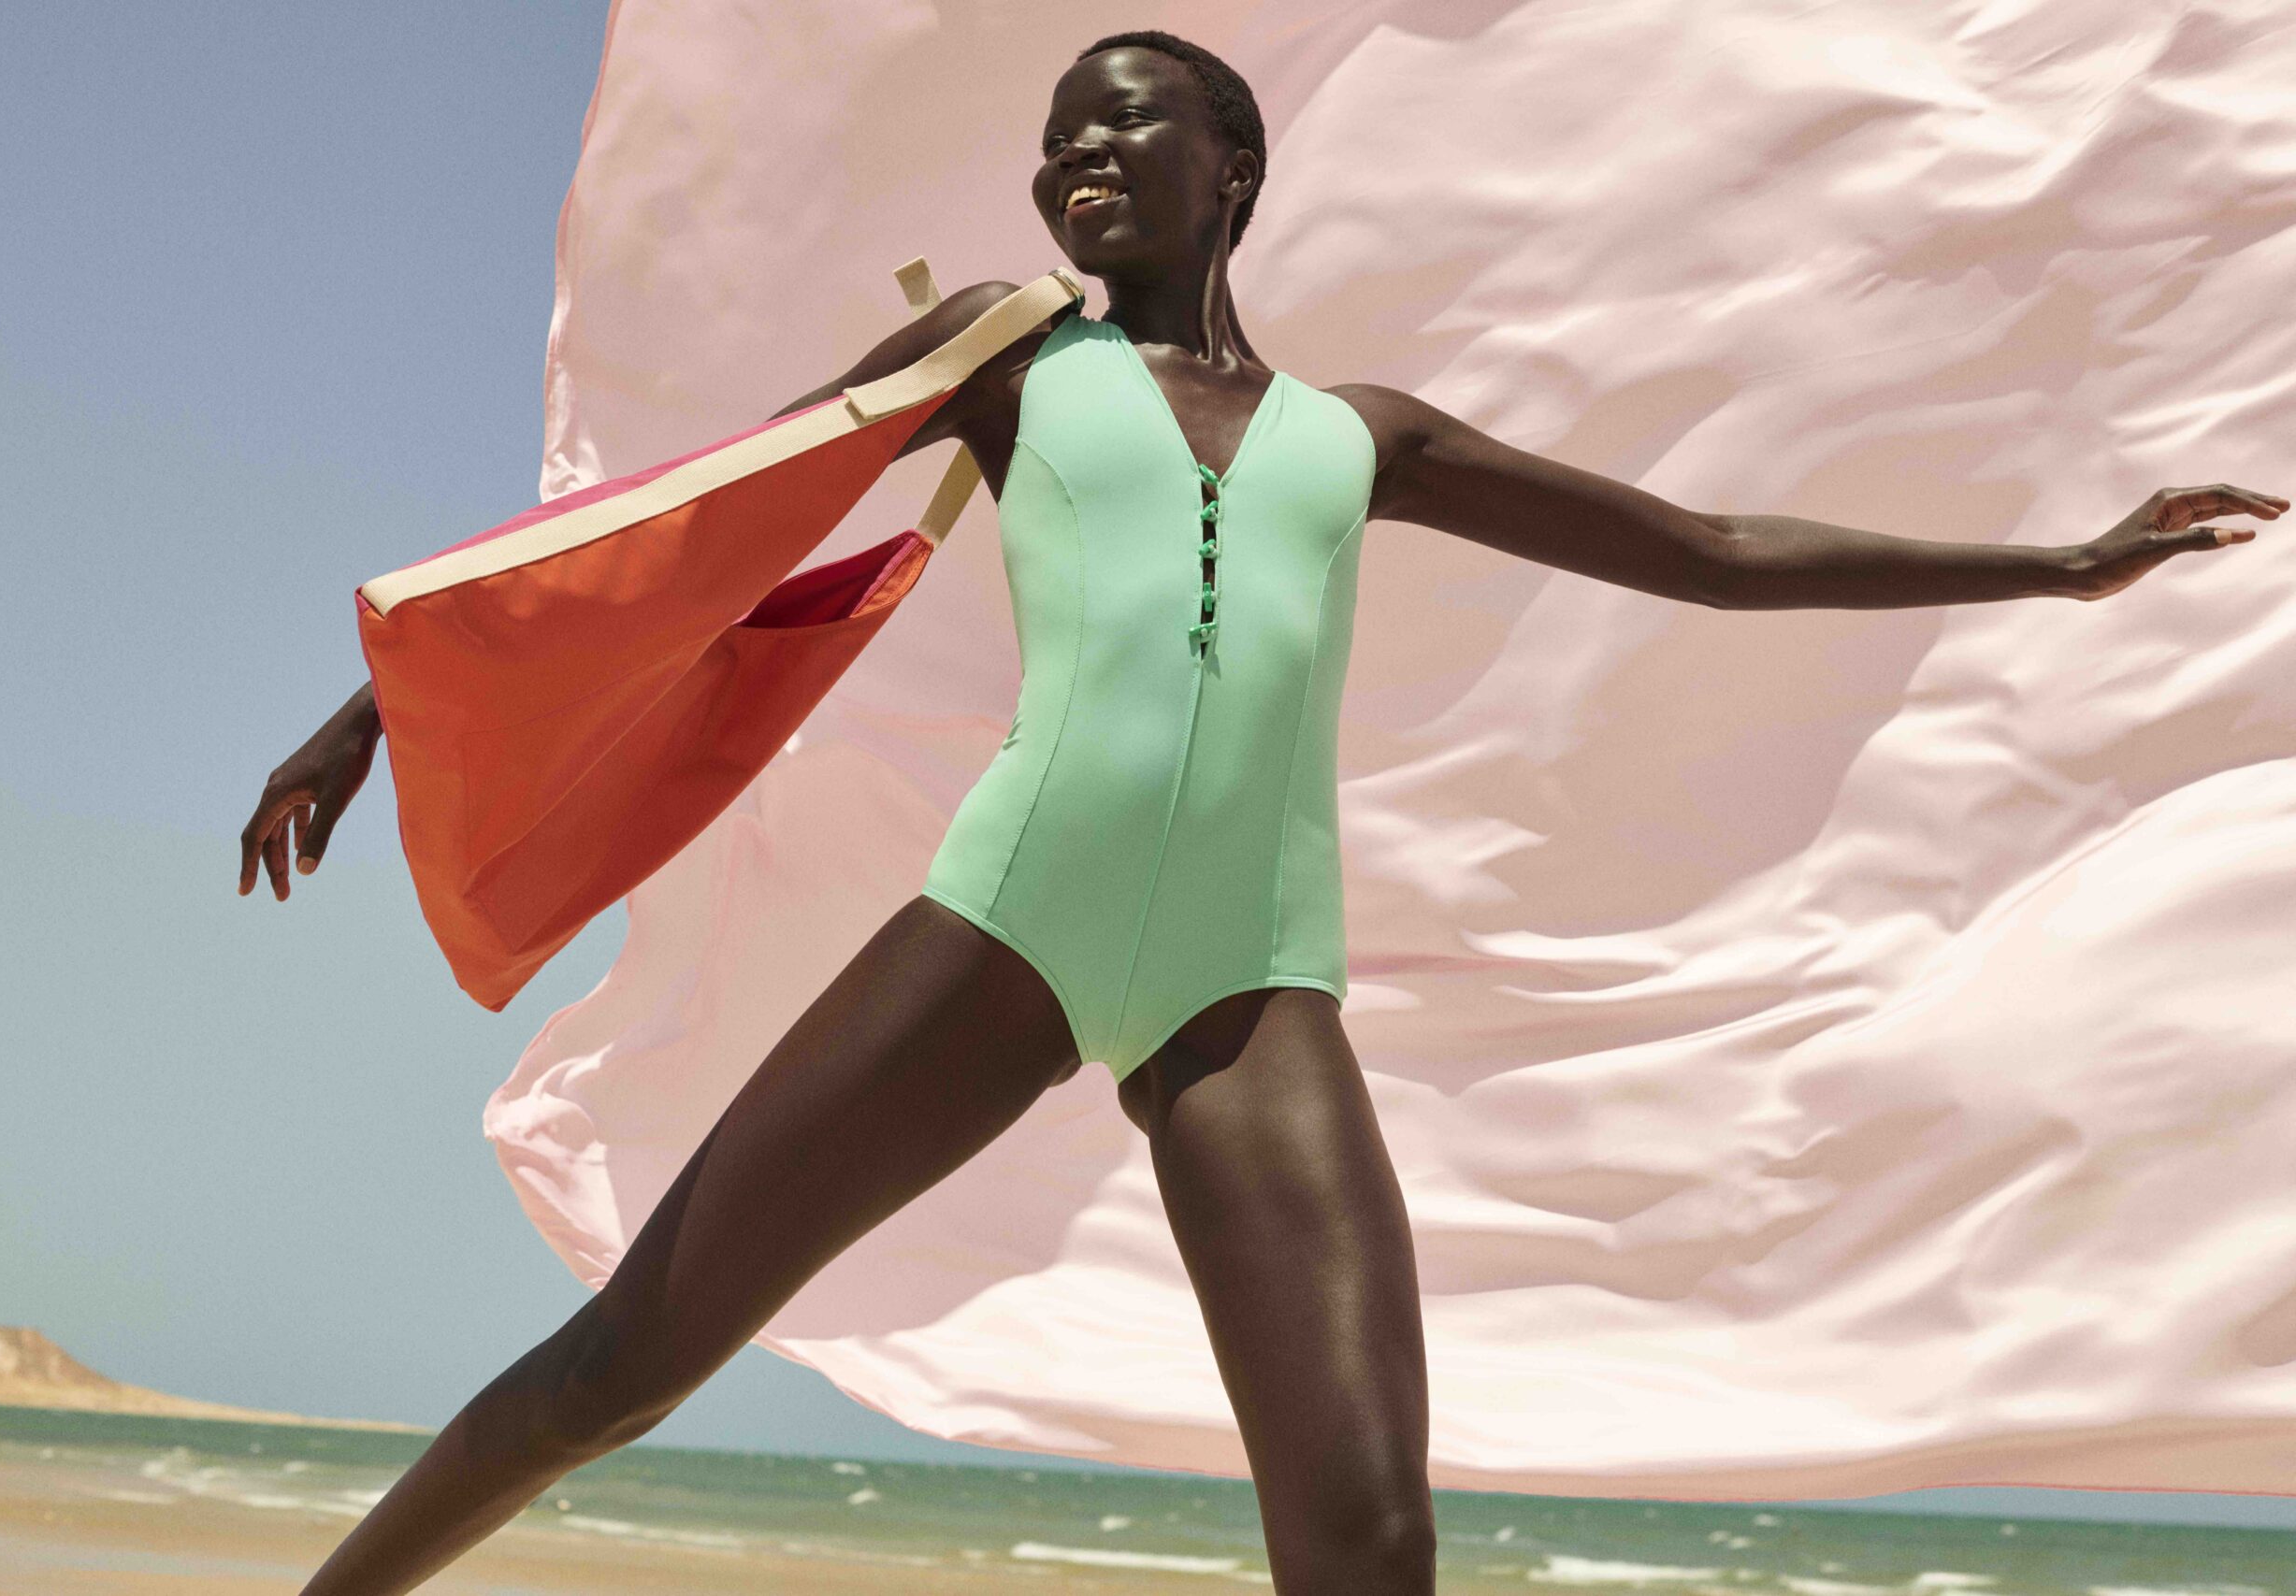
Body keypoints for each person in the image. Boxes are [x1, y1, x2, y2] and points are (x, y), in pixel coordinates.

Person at [240, 29, 2280, 1596]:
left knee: (1370, 1536)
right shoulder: (999, 357)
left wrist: (2060, 566)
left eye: (1124, 122)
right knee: (626, 1363)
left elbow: (1716, 551)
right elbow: (690, 536)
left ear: (1234, 167)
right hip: (1008, 925)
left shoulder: (1357, 437)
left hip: (1251, 986)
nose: (1076, 155)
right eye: (1057, 135)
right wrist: (376, 717)